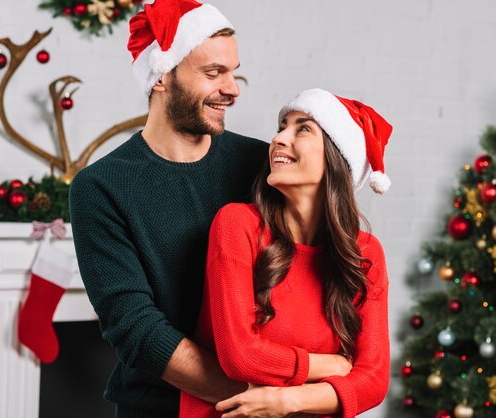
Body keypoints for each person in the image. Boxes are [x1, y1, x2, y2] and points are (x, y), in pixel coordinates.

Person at [69, 0, 268, 416]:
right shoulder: (101, 187)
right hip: (162, 407)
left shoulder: (261, 164)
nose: (232, 88)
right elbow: (136, 328)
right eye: (214, 73)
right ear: (162, 76)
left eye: (234, 72)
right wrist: (252, 395)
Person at [180, 88, 393, 417]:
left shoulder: (365, 253)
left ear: (337, 156)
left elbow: (374, 380)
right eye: (282, 126)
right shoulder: (238, 225)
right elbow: (240, 356)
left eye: (302, 128)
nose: (279, 138)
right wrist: (330, 366)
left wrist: (286, 401)